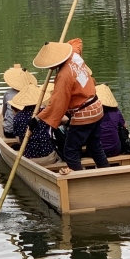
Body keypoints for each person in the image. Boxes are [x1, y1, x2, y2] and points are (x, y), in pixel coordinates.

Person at [33, 39, 109, 172]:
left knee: (70, 150)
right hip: (97, 108)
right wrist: (62, 48)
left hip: (84, 114)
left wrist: (37, 118)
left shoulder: (63, 77)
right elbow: (77, 42)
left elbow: (57, 104)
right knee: (94, 146)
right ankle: (107, 172)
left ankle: (79, 180)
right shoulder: (74, 55)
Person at [8, 83, 59, 162]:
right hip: (49, 158)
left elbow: (19, 140)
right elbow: (65, 119)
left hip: (29, 159)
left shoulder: (17, 118)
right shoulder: (45, 113)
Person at [1, 64, 36, 137]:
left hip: (9, 132)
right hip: (27, 131)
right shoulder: (31, 94)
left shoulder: (8, 94)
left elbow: (4, 113)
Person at [95, 84, 128, 158]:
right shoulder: (116, 111)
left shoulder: (93, 112)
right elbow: (125, 125)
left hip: (97, 151)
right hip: (115, 150)